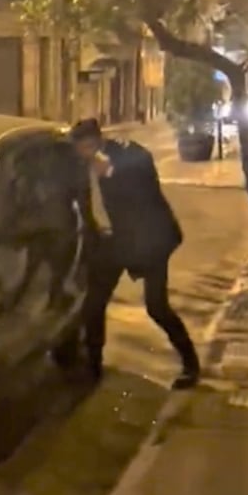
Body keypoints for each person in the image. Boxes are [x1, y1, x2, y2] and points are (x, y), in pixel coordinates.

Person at [69, 118, 200, 390]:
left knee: (156, 306)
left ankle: (190, 363)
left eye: (86, 148)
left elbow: (145, 178)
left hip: (147, 241)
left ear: (97, 141)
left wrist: (112, 173)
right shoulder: (79, 168)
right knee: (94, 304)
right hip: (110, 243)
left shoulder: (127, 155)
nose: (83, 155)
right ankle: (93, 366)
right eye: (79, 150)